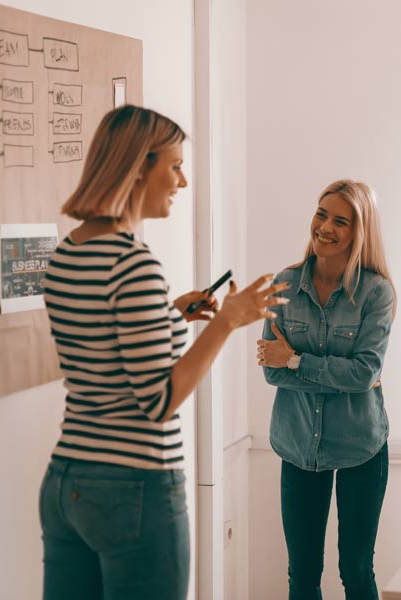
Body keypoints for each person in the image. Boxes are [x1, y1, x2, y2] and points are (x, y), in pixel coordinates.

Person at [40, 105, 287, 599]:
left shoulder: (67, 253)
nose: (183, 181)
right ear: (137, 168)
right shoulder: (133, 265)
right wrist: (225, 321)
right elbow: (159, 402)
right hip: (133, 486)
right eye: (174, 166)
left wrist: (170, 315)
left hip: (68, 481)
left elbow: (104, 353)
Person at [257, 179, 395, 600]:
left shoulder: (376, 292)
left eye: (341, 221)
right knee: (302, 574)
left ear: (360, 231)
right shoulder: (284, 283)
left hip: (361, 446)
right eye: (321, 215)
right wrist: (342, 373)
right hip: (297, 444)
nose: (325, 228)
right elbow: (271, 371)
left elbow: (364, 372)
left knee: (355, 570)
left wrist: (297, 360)